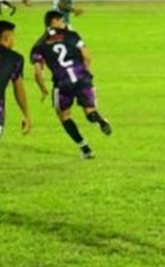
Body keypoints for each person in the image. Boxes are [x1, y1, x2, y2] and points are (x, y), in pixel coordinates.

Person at [29, 10, 112, 159]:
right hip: (81, 77)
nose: (64, 23)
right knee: (90, 111)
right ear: (53, 22)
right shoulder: (71, 35)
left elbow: (37, 72)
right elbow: (86, 55)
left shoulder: (39, 45)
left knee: (64, 116)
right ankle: (99, 120)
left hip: (62, 83)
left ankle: (85, 149)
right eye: (61, 20)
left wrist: (43, 90)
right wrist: (85, 73)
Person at [0, 20, 33, 140]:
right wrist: (26, 115)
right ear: (6, 37)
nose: (15, 40)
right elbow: (18, 88)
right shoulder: (15, 59)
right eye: (13, 37)